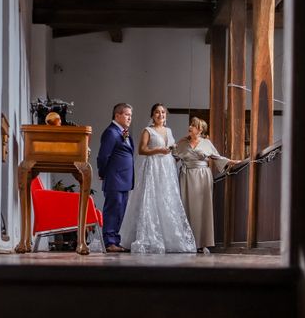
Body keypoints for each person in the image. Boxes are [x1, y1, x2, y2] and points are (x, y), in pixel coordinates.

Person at [120, 103, 196, 254]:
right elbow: (142, 150)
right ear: (152, 115)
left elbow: (170, 148)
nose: (160, 115)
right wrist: (158, 150)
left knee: (166, 198)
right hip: (153, 166)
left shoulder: (168, 130)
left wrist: (175, 150)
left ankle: (169, 237)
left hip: (167, 168)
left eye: (163, 112)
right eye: (157, 112)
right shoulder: (148, 130)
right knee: (151, 198)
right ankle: (148, 236)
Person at [174, 117, 237, 253]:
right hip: (186, 176)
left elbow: (217, 158)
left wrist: (233, 162)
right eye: (190, 124)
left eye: (194, 125)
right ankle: (186, 241)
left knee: (203, 209)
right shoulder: (182, 143)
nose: (190, 127)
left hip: (203, 177)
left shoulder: (207, 143)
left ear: (200, 129)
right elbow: (172, 159)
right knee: (186, 207)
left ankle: (203, 243)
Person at [96, 103, 134, 253]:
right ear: (117, 115)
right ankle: (109, 242)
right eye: (126, 115)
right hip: (115, 179)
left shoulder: (123, 132)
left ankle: (115, 241)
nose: (129, 118)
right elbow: (103, 156)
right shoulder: (111, 132)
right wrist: (103, 173)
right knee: (113, 210)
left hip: (123, 180)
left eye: (131, 115)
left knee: (120, 211)